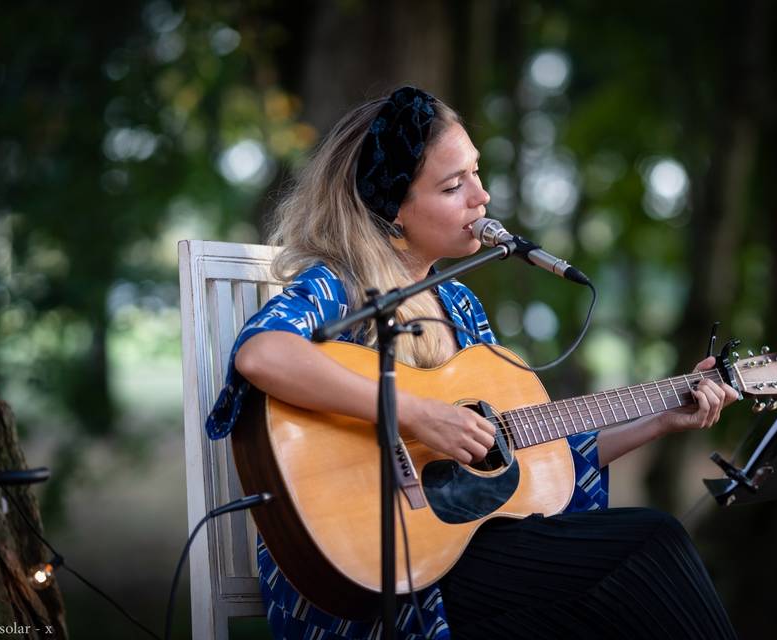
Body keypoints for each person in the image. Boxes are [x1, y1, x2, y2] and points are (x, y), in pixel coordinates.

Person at [205, 86, 739, 640]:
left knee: (634, 563)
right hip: (384, 580)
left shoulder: (458, 304)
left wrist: (661, 418)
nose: (481, 198)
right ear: (390, 209)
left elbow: (538, 456)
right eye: (453, 185)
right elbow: (263, 353)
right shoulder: (339, 287)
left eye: (476, 175)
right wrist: (412, 413)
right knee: (647, 543)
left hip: (465, 552)